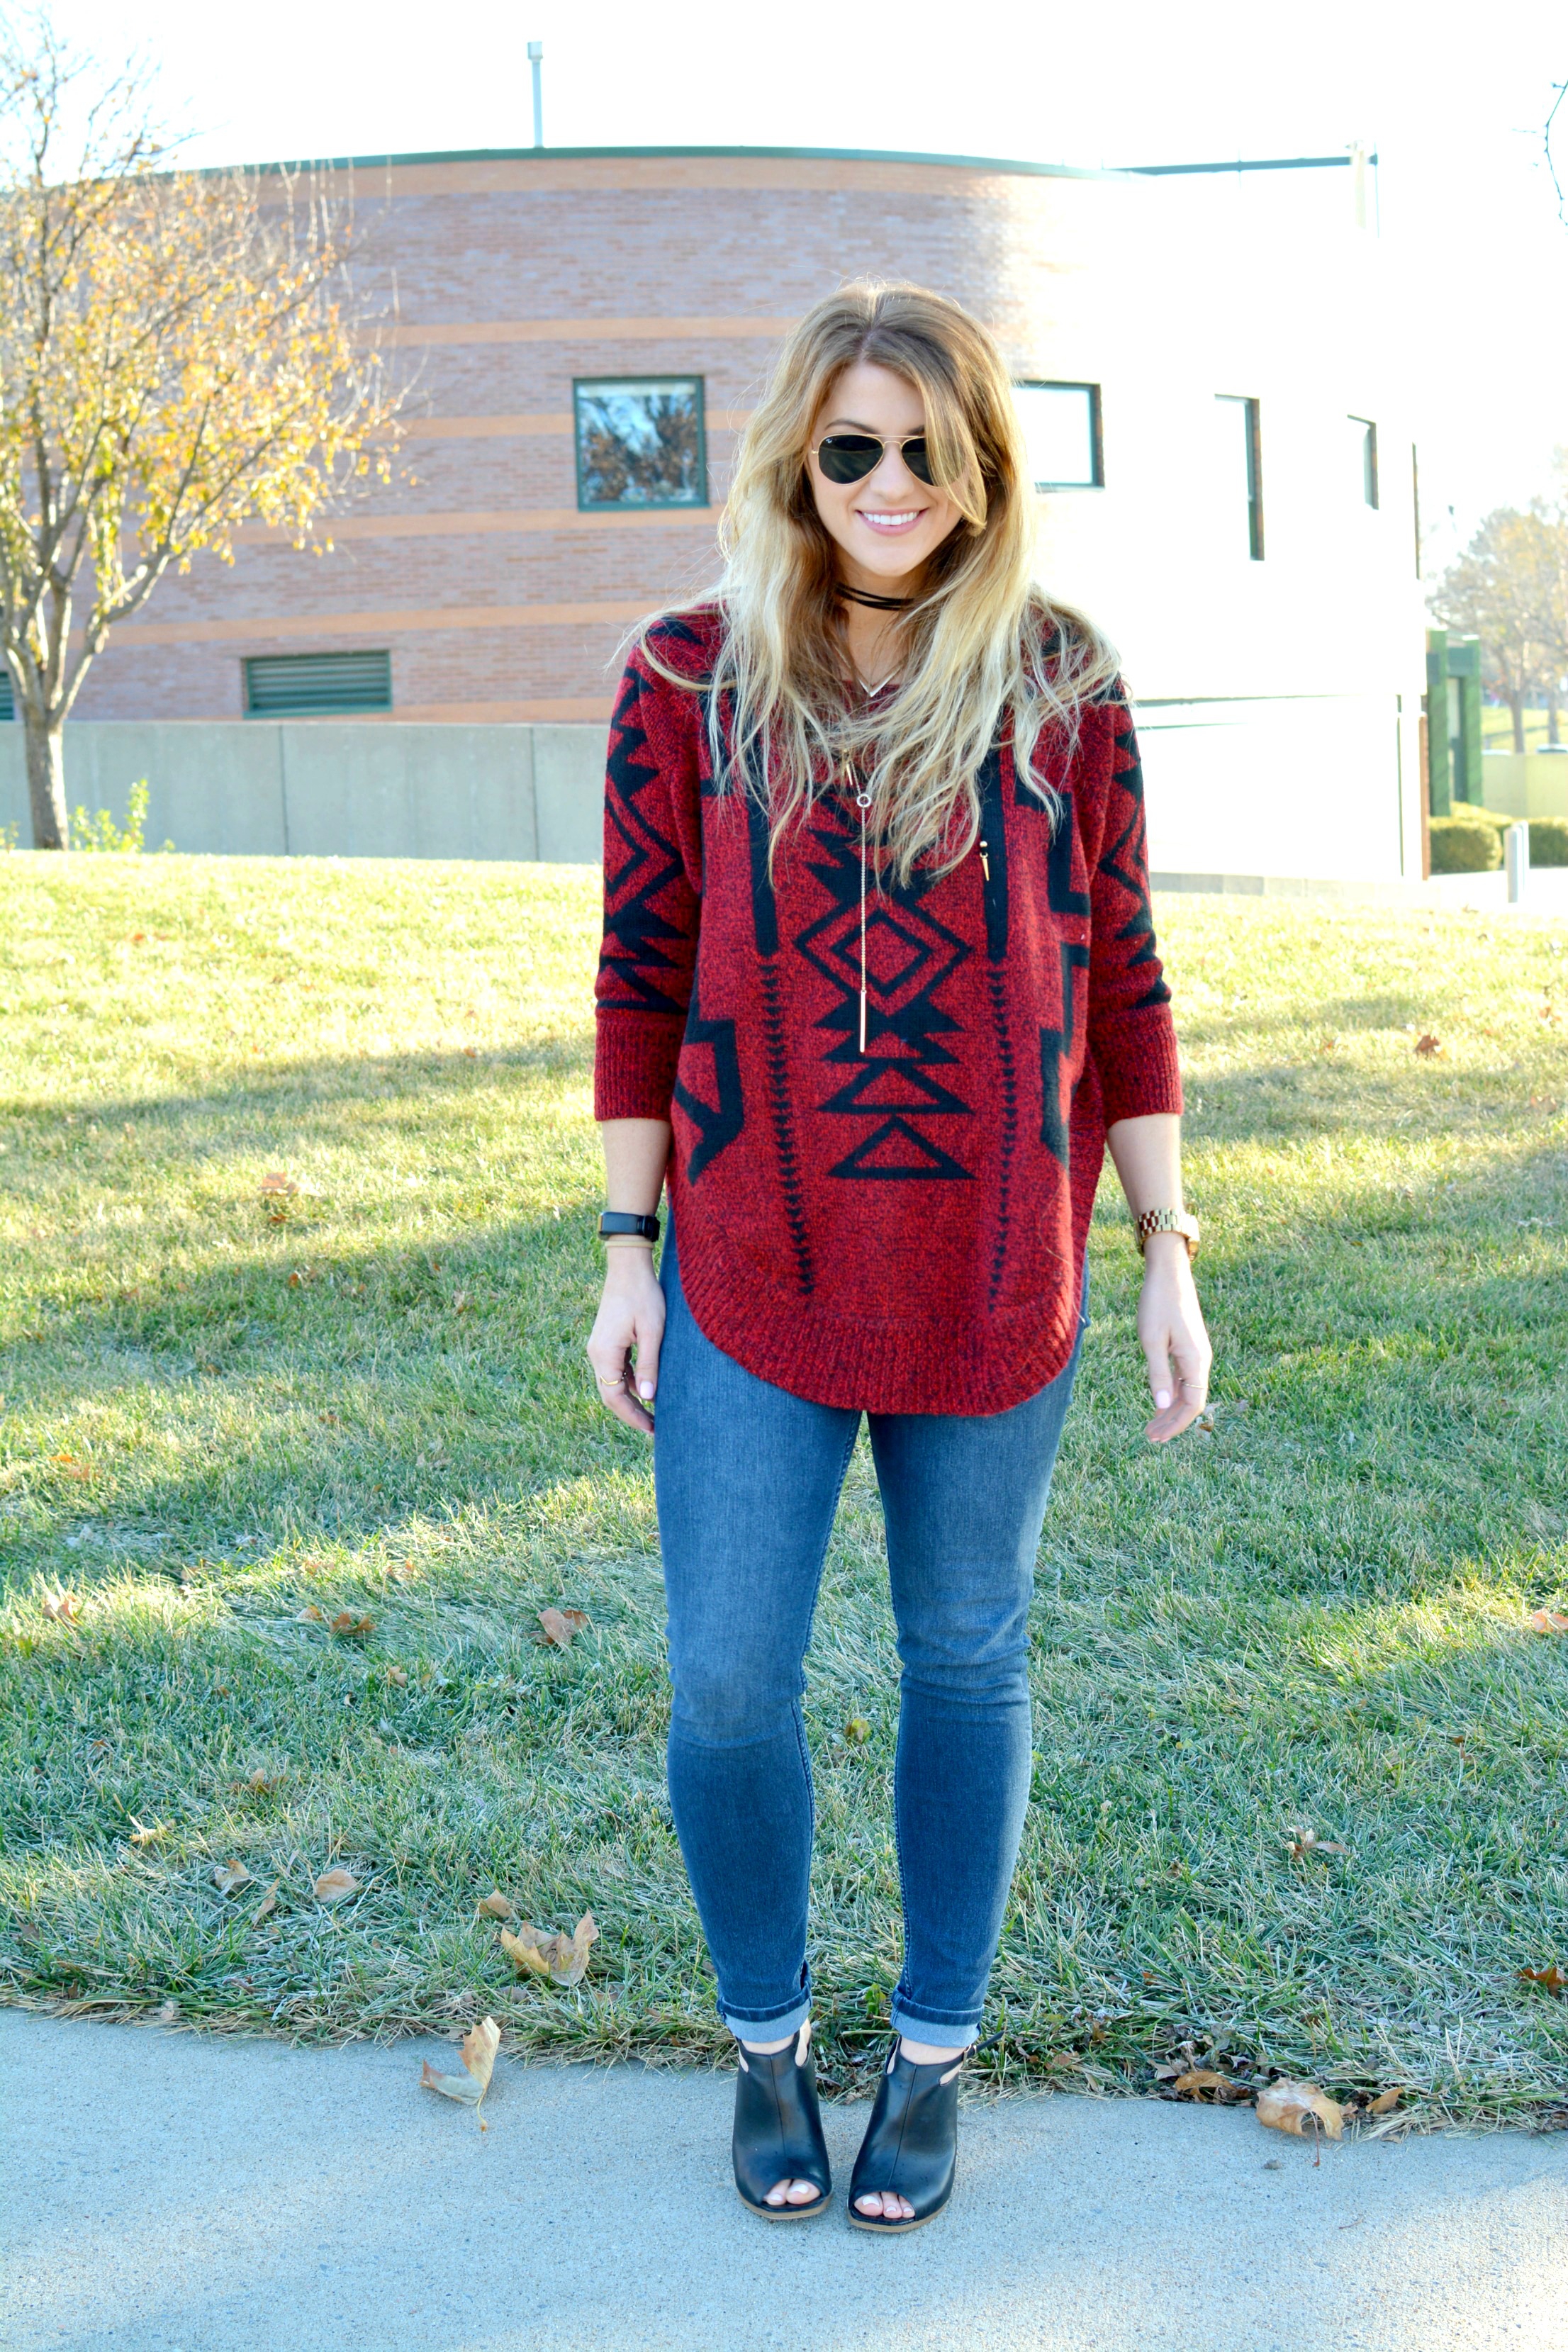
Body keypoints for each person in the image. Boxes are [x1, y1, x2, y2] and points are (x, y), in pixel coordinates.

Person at [586, 281, 1211, 2234]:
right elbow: (634, 979)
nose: (886, 483)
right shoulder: (686, 678)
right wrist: (626, 1248)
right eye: (849, 446)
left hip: (990, 1271)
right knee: (725, 1683)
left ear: (982, 465)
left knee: (964, 1660)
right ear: (795, 455)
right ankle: (766, 2046)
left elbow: (1123, 982)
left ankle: (929, 2059)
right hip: (749, 1270)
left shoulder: (1058, 683)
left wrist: (1166, 1243)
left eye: (926, 448)